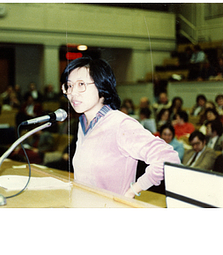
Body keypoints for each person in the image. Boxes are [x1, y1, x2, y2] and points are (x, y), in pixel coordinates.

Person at [60, 56, 180, 198]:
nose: (72, 93)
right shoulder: (83, 124)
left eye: (81, 84)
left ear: (101, 86)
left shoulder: (120, 124)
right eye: (69, 85)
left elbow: (168, 158)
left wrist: (133, 190)